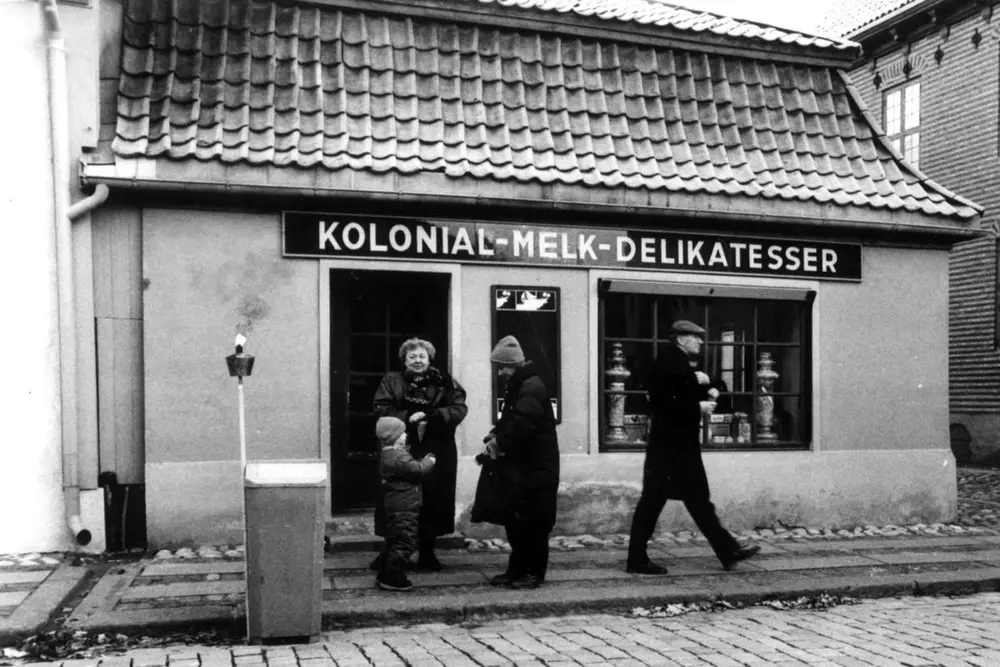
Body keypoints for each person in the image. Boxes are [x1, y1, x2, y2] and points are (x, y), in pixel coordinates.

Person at [626, 320, 760, 575]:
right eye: (694, 337)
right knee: (653, 503)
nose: (700, 341)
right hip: (669, 448)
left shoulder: (679, 364)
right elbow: (661, 404)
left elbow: (683, 393)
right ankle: (636, 559)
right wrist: (696, 407)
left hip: (679, 447)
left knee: (698, 501)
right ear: (680, 339)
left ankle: (727, 550)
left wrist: (707, 385)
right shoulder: (667, 364)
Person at [373, 338, 468, 571]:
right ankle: (391, 551)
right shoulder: (391, 381)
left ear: (429, 358)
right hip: (402, 447)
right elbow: (381, 407)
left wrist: (437, 416)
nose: (417, 360)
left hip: (436, 447)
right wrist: (407, 417)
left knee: (433, 498)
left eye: (422, 356)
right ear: (404, 359)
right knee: (398, 499)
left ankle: (427, 552)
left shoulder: (446, 382)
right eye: (412, 356)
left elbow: (459, 408)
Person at [484, 335, 560, 589]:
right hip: (526, 467)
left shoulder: (531, 386)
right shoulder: (521, 384)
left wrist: (499, 442)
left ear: (514, 365)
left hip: (536, 468)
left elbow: (523, 424)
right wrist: (496, 432)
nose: (500, 373)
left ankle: (532, 573)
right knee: (518, 521)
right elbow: (512, 419)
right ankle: (517, 570)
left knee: (534, 523)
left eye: (502, 367)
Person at [373, 416, 436, 592]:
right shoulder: (398, 457)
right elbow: (418, 470)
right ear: (394, 437)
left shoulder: (389, 453)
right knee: (406, 541)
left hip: (397, 505)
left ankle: (384, 573)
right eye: (402, 433)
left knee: (395, 540)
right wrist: (429, 460)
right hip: (405, 507)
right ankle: (393, 577)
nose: (406, 434)